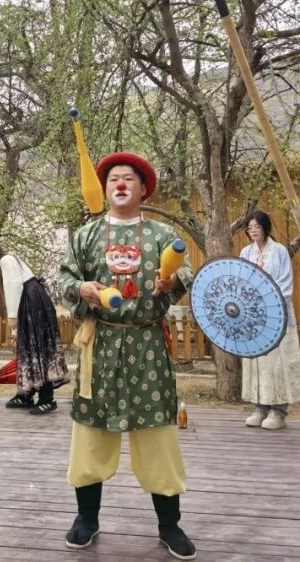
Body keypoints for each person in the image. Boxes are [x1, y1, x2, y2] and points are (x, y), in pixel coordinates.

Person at [60, 151, 195, 560]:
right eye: (113, 179)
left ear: (143, 189)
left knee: (158, 436)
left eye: (129, 179)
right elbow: (65, 278)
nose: (120, 184)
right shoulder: (85, 236)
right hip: (100, 343)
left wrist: (173, 282)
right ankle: (87, 519)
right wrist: (81, 289)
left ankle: (169, 525)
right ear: (105, 189)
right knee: (91, 434)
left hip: (146, 344)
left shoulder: (162, 235)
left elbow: (185, 274)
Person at [0, 241, 68, 414]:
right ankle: (26, 394)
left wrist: (12, 316)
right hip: (34, 300)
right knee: (30, 348)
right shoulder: (12, 259)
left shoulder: (5, 261)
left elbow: (13, 285)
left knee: (36, 349)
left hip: (30, 303)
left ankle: (46, 398)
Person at [239, 211, 300, 430]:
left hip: (276, 314)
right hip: (253, 316)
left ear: (265, 227)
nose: (253, 230)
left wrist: (267, 302)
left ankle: (278, 411)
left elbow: (285, 284)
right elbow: (240, 281)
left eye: (257, 226)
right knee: (256, 362)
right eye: (249, 227)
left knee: (277, 362)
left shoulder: (279, 251)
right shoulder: (245, 252)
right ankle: (259, 407)